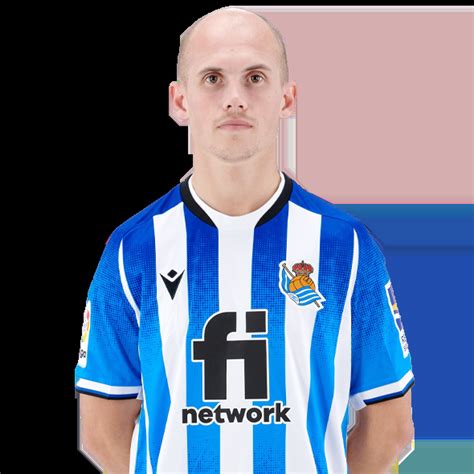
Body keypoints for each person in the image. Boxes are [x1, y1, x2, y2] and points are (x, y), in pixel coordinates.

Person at [74, 6, 415, 473]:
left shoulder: (346, 248)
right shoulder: (132, 250)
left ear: (286, 98)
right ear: (180, 101)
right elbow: (101, 427)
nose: (235, 99)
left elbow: (390, 427)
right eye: (212, 79)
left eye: (255, 78)